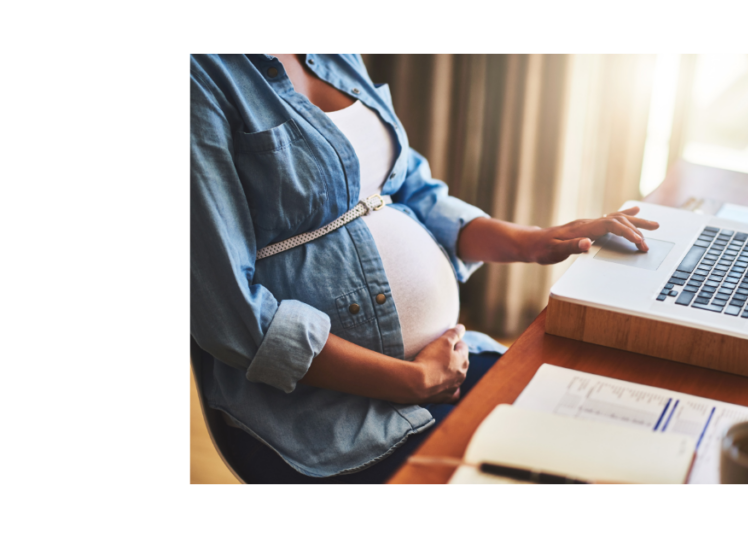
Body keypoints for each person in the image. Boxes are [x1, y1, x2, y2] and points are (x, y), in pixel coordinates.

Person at [188, 53, 660, 485]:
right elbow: (229, 316)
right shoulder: (202, 77)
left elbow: (410, 185)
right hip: (326, 420)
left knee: (599, 442)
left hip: (442, 366)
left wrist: (535, 242)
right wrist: (411, 382)